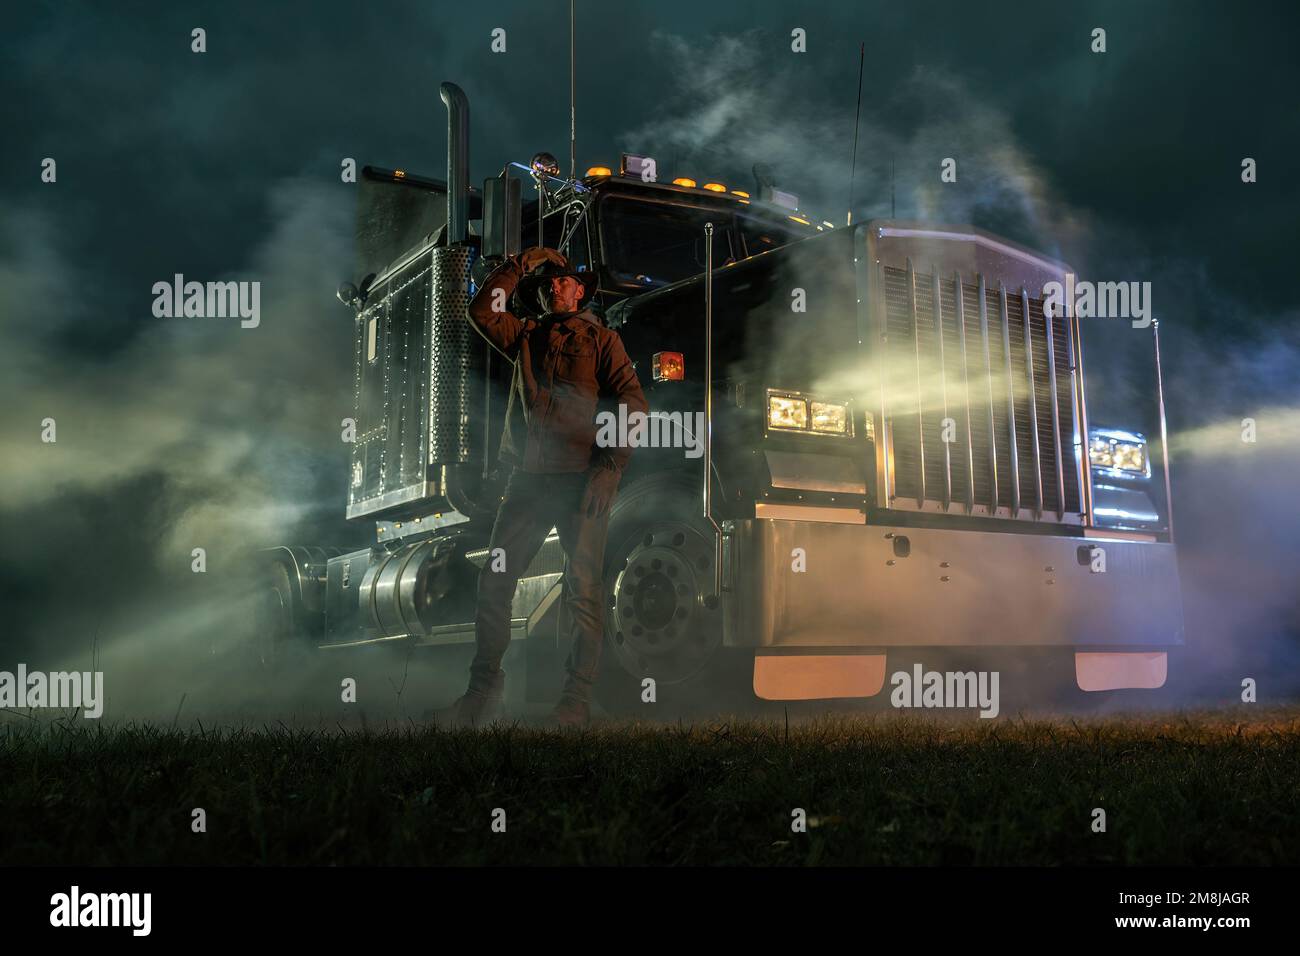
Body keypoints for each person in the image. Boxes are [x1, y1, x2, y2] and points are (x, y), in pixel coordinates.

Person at [444, 246, 648, 727]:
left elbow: (633, 405)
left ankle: (575, 703)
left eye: (564, 281)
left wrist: (610, 468)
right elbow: (482, 310)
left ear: (581, 291)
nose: (554, 285)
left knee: (583, 591)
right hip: (527, 484)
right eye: (549, 282)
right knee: (495, 582)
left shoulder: (603, 341)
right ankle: (481, 695)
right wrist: (518, 265)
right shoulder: (526, 335)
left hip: (580, 482)